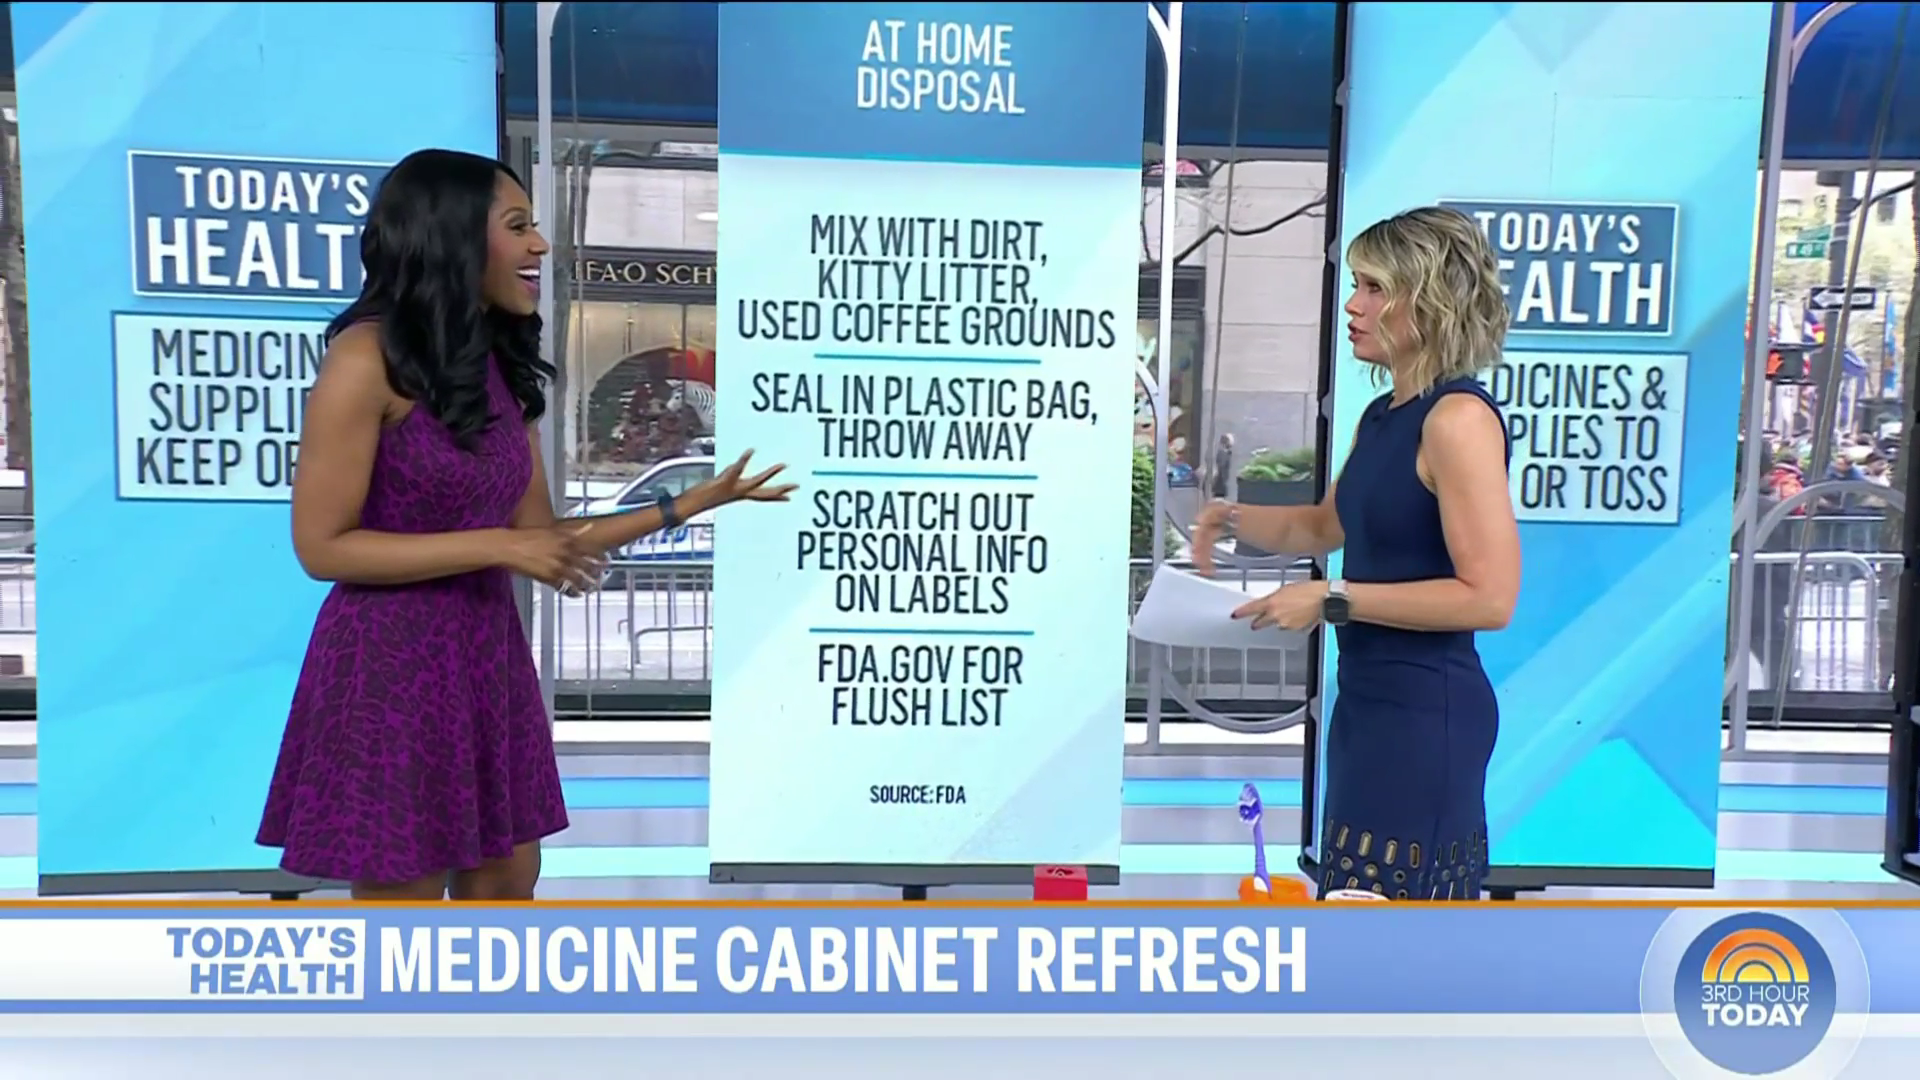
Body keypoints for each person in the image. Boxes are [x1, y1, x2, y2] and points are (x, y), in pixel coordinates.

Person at [256, 149, 794, 901]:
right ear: (453, 238)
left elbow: (544, 536)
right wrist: (500, 546)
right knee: (406, 905)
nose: (540, 245)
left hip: (486, 655)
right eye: (518, 226)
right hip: (390, 665)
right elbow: (323, 547)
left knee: (509, 880)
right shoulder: (364, 358)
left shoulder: (496, 369)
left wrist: (687, 503)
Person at [1191, 206, 1520, 901]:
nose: (1353, 305)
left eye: (1374, 288)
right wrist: (1231, 518)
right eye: (1356, 286)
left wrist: (1332, 598)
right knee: (1354, 915)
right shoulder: (1382, 418)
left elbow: (1489, 598)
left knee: (1398, 934)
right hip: (1369, 710)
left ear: (1429, 300)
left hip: (1427, 716)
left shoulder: (1458, 420)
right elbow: (1322, 527)